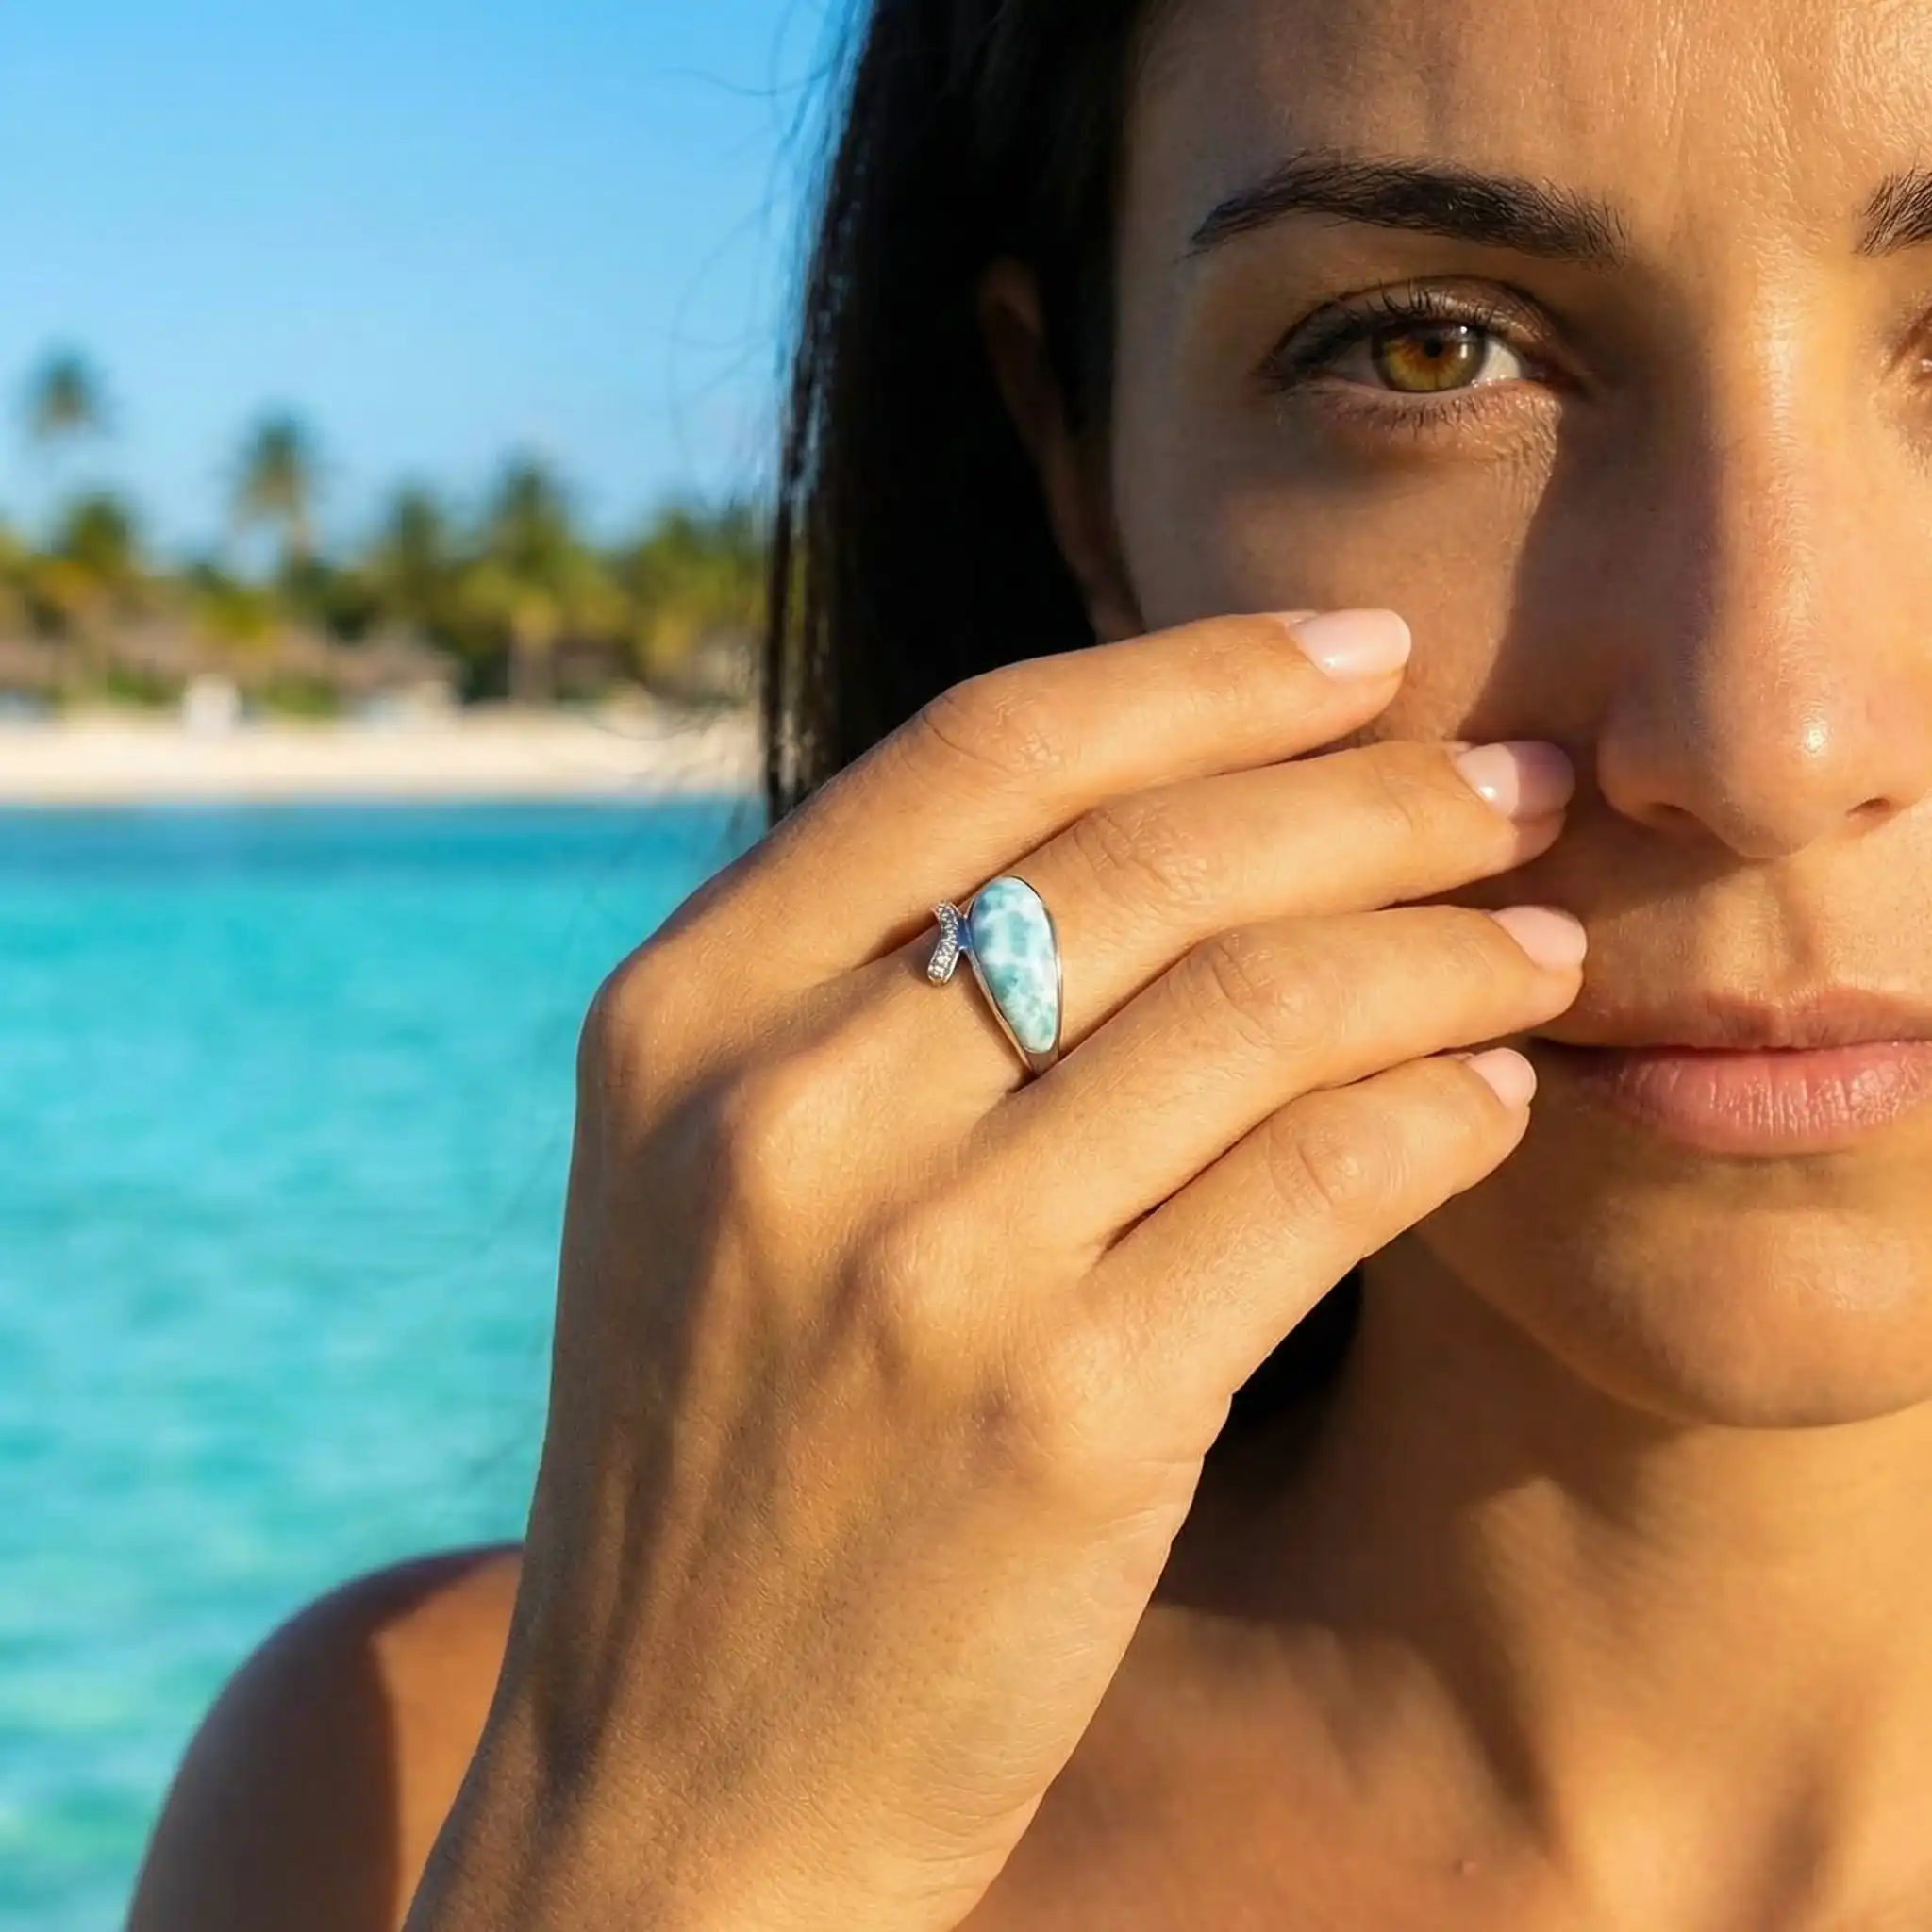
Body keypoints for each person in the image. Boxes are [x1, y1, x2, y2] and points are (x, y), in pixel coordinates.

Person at [128, 0, 1932, 1922]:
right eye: (1431, 348)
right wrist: (676, 1856)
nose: (1772, 745)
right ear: (1073, 458)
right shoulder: (409, 1793)